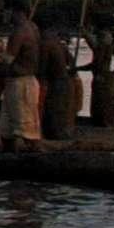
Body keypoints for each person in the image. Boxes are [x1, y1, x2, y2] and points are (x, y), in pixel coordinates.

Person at [0, 0, 42, 148]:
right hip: (17, 83)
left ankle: (36, 158)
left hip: (21, 85)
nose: (4, 15)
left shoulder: (20, 32)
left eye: (6, 11)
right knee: (6, 131)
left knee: (27, 131)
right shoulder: (32, 27)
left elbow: (7, 63)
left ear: (16, 11)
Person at [37, 14, 77, 142]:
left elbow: (41, 70)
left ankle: (56, 138)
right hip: (63, 81)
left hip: (57, 82)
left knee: (53, 112)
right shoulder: (57, 42)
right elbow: (72, 63)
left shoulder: (45, 43)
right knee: (58, 112)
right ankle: (59, 135)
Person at [84, 13, 114, 129]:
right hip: (104, 76)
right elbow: (96, 47)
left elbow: (98, 58)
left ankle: (106, 129)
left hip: (102, 77)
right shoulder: (107, 37)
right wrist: (86, 34)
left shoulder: (104, 38)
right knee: (104, 108)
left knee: (102, 109)